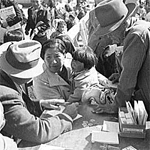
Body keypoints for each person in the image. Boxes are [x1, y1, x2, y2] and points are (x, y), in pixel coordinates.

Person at [0, 40, 79, 144]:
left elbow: (19, 107)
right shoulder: (6, 94)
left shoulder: (5, 79)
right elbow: (38, 131)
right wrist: (66, 117)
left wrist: (40, 105)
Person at [92, 0, 150, 116]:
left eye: (111, 31)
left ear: (123, 23)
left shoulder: (135, 35)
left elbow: (129, 77)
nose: (108, 36)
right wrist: (120, 75)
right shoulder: (135, 29)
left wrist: (115, 106)